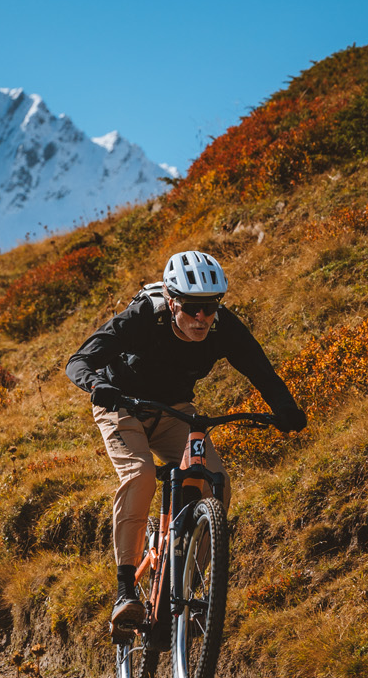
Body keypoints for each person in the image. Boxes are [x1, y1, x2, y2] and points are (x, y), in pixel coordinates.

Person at [66, 250, 307, 639]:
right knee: (141, 475)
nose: (202, 318)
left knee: (217, 482)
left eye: (210, 308)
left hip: (175, 411)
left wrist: (286, 408)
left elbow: (261, 370)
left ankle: (185, 590)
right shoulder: (145, 317)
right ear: (173, 301)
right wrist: (98, 386)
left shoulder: (222, 327)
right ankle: (125, 591)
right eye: (193, 308)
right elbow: (78, 361)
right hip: (122, 405)